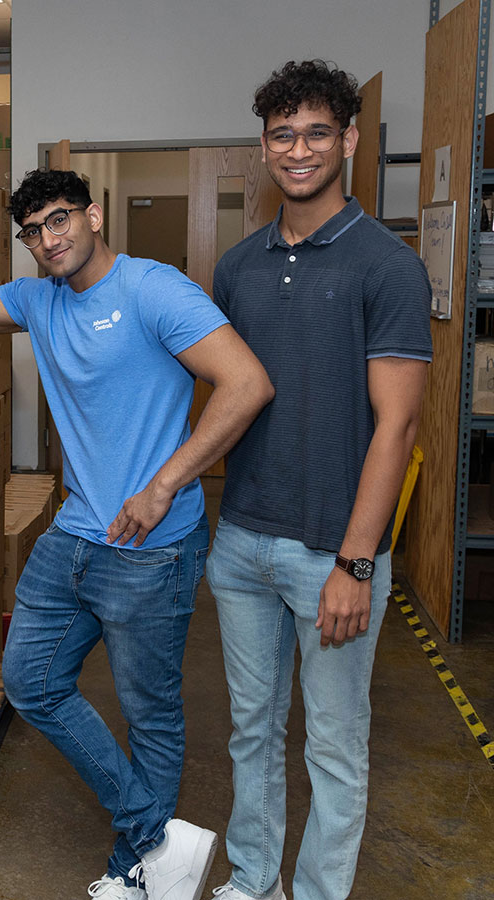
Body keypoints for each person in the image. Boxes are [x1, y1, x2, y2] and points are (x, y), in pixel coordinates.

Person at [0, 166, 274, 900]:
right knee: (30, 681)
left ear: (93, 216)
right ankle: (158, 840)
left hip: (153, 547)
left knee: (150, 716)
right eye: (32, 232)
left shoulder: (154, 288)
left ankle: (133, 875)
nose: (47, 240)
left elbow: (245, 383)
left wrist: (163, 486)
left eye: (58, 221)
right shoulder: (39, 299)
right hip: (75, 532)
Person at [206, 60, 431, 900]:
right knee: (250, 733)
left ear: (350, 140)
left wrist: (356, 561)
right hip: (242, 542)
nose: (298, 149)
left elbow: (398, 428)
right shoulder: (238, 266)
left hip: (331, 552)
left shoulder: (387, 266)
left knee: (333, 746)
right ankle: (253, 878)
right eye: (282, 134)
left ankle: (318, 893)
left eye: (316, 132)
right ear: (263, 147)